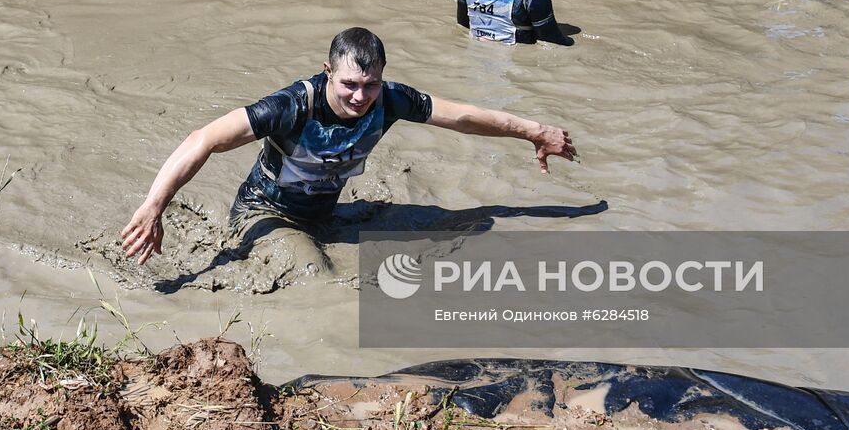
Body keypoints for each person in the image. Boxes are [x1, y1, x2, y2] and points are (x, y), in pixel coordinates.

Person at [120, 27, 576, 264]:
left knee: (451, 227)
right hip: (264, 212)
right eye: (349, 85)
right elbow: (204, 139)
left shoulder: (391, 99)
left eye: (371, 85)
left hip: (323, 213)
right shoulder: (291, 105)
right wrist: (154, 205)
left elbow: (462, 117)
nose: (360, 97)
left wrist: (534, 131)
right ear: (327, 72)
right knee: (315, 274)